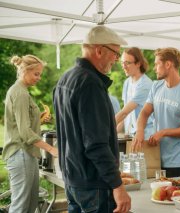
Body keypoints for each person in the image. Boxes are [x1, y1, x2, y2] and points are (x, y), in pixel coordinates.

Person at [53, 25, 131, 213]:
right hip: (94, 183)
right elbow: (96, 144)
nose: (116, 59)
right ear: (99, 50)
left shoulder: (65, 79)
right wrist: (117, 186)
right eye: (115, 53)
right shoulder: (90, 84)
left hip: (73, 179)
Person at [131, 47, 180, 178]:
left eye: (157, 64)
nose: (154, 68)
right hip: (156, 158)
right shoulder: (156, 86)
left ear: (168, 64)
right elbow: (145, 113)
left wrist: (164, 132)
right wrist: (140, 130)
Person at [3, 54, 58, 212]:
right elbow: (25, 133)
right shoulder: (20, 93)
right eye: (36, 74)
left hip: (27, 154)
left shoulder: (21, 91)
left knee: (30, 204)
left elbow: (22, 124)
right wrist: (51, 149)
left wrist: (38, 121)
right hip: (21, 153)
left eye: (40, 74)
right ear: (24, 71)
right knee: (21, 206)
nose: (39, 78)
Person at [115, 47, 154, 137]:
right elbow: (125, 114)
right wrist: (114, 132)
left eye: (127, 63)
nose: (123, 66)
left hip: (145, 136)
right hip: (131, 135)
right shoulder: (127, 82)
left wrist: (104, 129)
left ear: (138, 64)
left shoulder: (145, 84)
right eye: (122, 63)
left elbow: (124, 112)